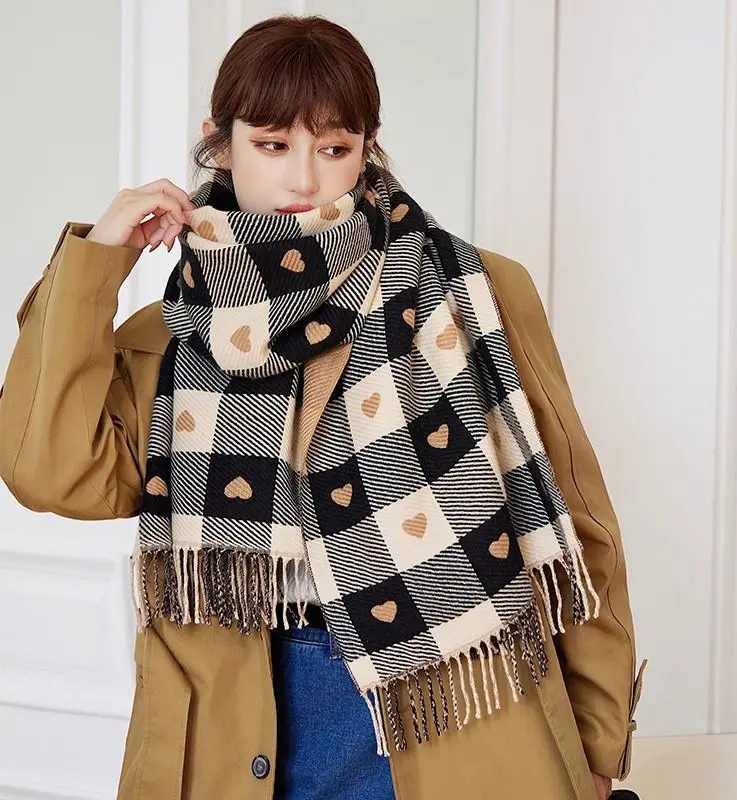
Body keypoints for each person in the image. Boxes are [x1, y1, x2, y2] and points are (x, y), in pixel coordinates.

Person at [0, 14, 645, 800]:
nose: (303, 180)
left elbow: (577, 522)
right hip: (236, 723)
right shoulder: (171, 333)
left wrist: (599, 744)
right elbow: (49, 472)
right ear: (219, 143)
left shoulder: (472, 291)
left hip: (449, 709)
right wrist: (98, 261)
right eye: (273, 144)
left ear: (366, 149)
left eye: (334, 148)